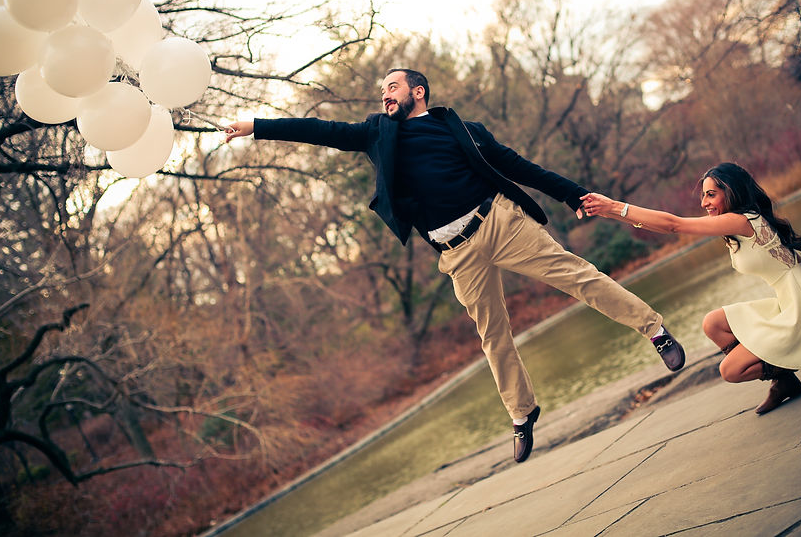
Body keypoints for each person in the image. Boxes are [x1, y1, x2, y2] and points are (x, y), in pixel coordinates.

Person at [224, 68, 685, 463]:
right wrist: (253, 125)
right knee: (492, 333)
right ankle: (523, 414)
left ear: (417, 92)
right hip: (456, 252)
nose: (384, 95)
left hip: (499, 222)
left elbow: (518, 166)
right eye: (381, 90)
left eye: (392, 87)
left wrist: (571, 193)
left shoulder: (462, 129)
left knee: (578, 276)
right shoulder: (375, 133)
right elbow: (317, 129)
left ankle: (654, 330)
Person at [581, 162, 801, 415]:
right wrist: (613, 214)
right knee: (713, 323)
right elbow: (668, 227)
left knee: (731, 370)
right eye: (704, 195)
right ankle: (783, 380)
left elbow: (673, 225)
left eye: (711, 194)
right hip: (787, 300)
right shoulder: (738, 222)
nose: (704, 202)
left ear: (732, 191)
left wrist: (615, 206)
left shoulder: (741, 220)